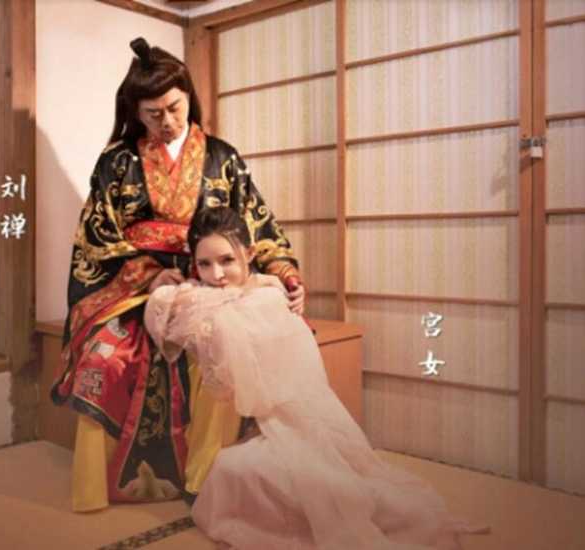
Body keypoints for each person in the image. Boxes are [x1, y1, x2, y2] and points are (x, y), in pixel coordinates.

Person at [50, 37, 304, 512]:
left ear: (188, 96)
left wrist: (284, 272)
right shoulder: (117, 161)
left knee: (219, 352)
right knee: (105, 358)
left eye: (174, 108)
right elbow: (96, 234)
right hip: (132, 286)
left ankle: (206, 479)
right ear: (135, 111)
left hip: (212, 282)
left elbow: (255, 225)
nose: (166, 121)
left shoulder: (223, 158)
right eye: (152, 114)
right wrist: (147, 276)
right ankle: (101, 485)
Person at [144, 207, 490, 550]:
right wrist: (158, 281)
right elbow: (164, 308)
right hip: (242, 426)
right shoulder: (201, 298)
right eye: (204, 264)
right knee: (239, 471)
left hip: (283, 420)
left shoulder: (265, 296)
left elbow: (255, 377)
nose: (217, 274)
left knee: (305, 485)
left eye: (227, 260)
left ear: (249, 254)